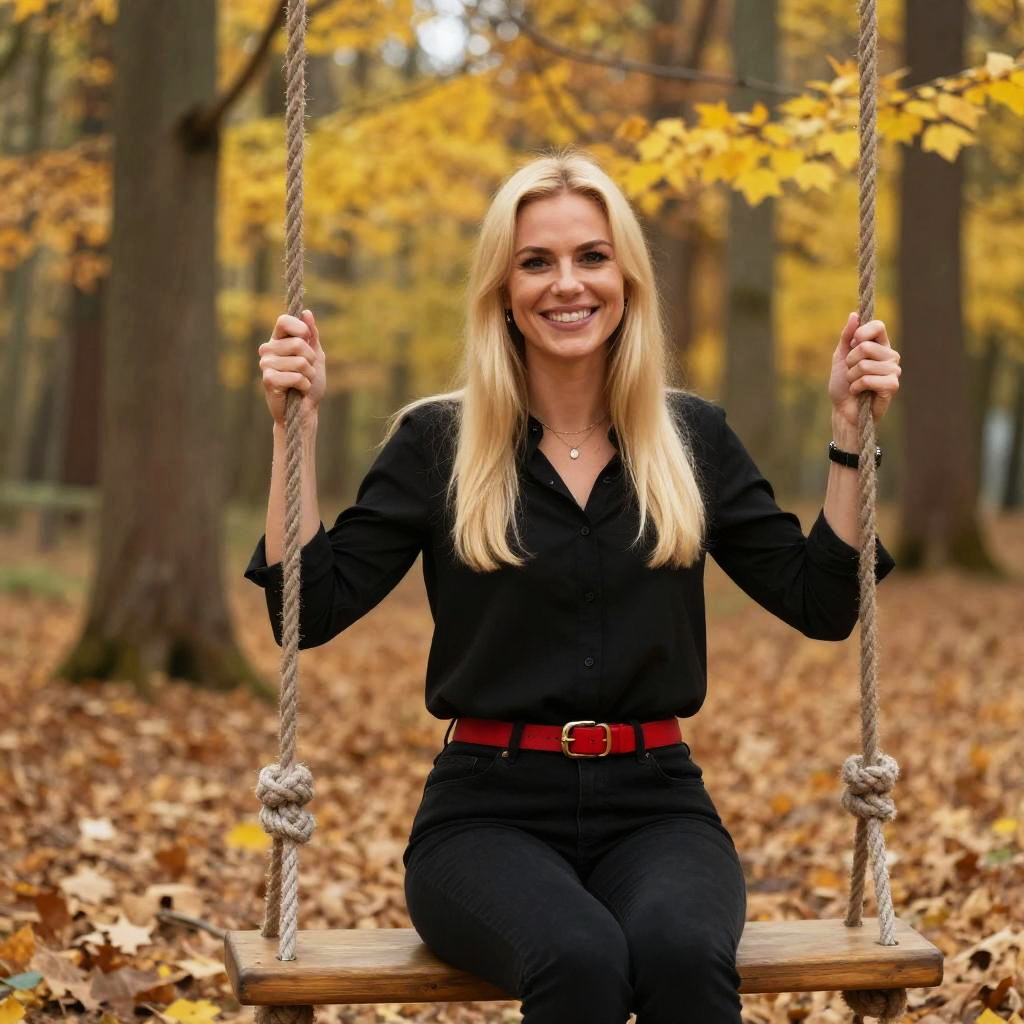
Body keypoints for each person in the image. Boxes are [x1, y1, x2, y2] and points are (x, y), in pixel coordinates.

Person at [244, 150, 901, 1024]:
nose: (568, 285)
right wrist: (297, 432)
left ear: (626, 277)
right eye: (536, 262)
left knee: (683, 956)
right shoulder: (439, 442)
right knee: (578, 960)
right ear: (502, 289)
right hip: (484, 813)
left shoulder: (690, 438)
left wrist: (849, 434)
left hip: (657, 802)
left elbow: (822, 603)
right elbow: (306, 611)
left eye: (592, 256)